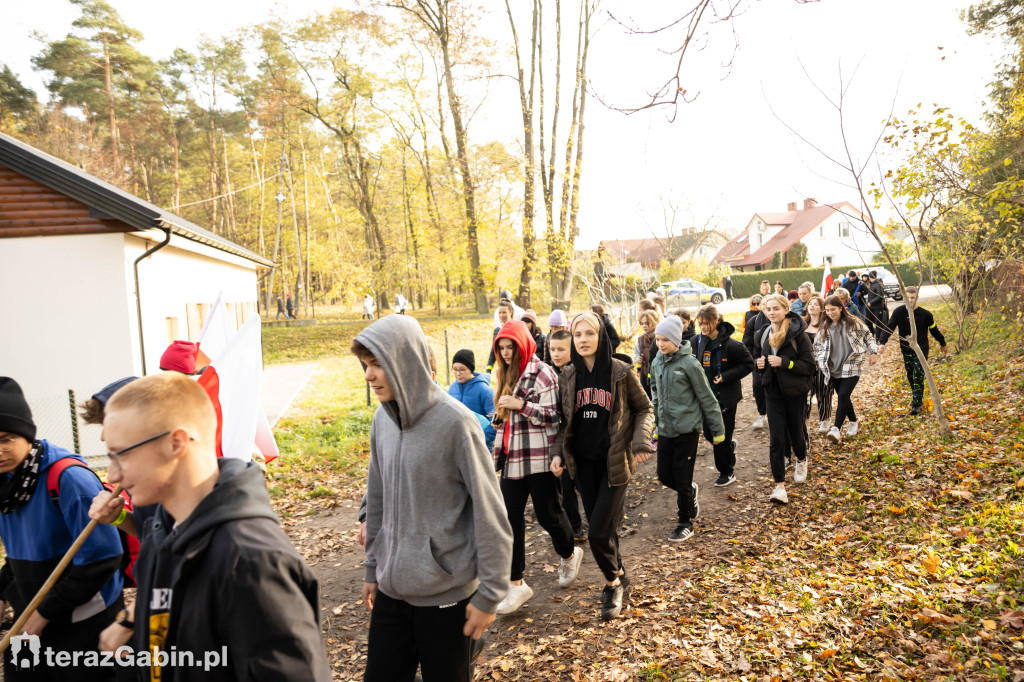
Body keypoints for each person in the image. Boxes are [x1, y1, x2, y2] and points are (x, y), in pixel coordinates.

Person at [96, 373, 330, 681]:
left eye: (121, 455)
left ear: (176, 443)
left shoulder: (251, 561)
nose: (111, 475)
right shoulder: (161, 534)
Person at [349, 315, 512, 680]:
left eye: (377, 364)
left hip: (446, 598)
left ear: (404, 361)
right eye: (366, 365)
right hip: (391, 593)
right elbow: (376, 499)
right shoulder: (382, 420)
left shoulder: (457, 424)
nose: (368, 375)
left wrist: (490, 594)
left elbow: (491, 512)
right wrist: (374, 567)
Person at [0, 377, 124, 681]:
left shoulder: (68, 479)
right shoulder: (6, 484)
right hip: (32, 615)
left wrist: (45, 612)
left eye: (6, 439)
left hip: (83, 619)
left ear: (27, 435)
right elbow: (19, 555)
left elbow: (103, 557)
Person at [550, 312, 653, 620]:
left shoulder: (620, 371)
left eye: (589, 333)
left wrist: (640, 442)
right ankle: (621, 573)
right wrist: (558, 454)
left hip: (615, 464)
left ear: (600, 336)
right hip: (583, 466)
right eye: (577, 334)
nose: (583, 339)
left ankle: (612, 584)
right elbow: (564, 422)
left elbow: (645, 408)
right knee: (604, 529)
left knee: (596, 533)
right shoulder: (567, 375)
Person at [491, 321, 582, 615]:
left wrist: (522, 406)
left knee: (548, 514)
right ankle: (515, 584)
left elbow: (553, 416)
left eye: (510, 348)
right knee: (509, 520)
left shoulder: (542, 372)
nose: (506, 353)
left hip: (540, 457)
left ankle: (569, 553)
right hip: (513, 458)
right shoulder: (504, 373)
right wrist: (500, 417)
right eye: (501, 348)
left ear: (523, 345)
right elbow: (507, 414)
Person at [650, 313, 725, 541]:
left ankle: (685, 522)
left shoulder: (689, 364)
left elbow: (706, 397)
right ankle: (689, 491)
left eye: (665, 340)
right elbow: (654, 393)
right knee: (664, 475)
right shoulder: (657, 362)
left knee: (681, 477)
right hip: (665, 430)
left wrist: (718, 430)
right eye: (657, 340)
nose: (660, 344)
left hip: (687, 430)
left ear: (675, 338)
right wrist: (655, 421)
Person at [753, 295, 815, 505]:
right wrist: (759, 364)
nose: (771, 312)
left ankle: (801, 459)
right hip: (772, 392)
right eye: (768, 309)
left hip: (794, 392)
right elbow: (756, 360)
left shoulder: (798, 335)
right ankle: (780, 486)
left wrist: (785, 363)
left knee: (796, 434)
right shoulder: (762, 334)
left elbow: (809, 366)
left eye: (776, 308)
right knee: (776, 439)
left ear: (786, 309)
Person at [691, 305, 755, 487]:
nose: (703, 327)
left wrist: (726, 376)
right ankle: (729, 448)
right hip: (704, 398)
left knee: (721, 438)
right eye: (700, 323)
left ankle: (727, 472)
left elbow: (748, 364)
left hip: (725, 398)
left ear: (716, 321)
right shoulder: (696, 342)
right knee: (710, 435)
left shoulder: (732, 345)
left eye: (707, 323)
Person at [813, 295, 879, 443]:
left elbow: (869, 337)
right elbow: (816, 346)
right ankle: (853, 422)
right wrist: (819, 359)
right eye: (828, 310)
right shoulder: (824, 326)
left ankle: (836, 429)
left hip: (852, 365)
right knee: (844, 397)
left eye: (833, 309)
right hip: (833, 369)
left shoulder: (853, 323)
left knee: (843, 395)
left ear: (841, 308)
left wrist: (873, 353)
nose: (830, 313)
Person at [878, 286, 948, 415]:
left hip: (921, 350)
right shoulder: (899, 312)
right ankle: (917, 397)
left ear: (917, 298)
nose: (910, 300)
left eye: (913, 297)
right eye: (907, 298)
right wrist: (882, 342)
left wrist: (942, 342)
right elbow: (890, 327)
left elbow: (934, 330)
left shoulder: (926, 314)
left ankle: (916, 404)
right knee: (911, 376)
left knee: (918, 376)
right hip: (906, 349)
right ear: (904, 298)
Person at [547, 330, 583, 541]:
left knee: (582, 484)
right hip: (561, 441)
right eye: (552, 349)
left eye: (561, 349)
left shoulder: (578, 373)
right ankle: (575, 526)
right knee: (565, 487)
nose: (556, 353)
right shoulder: (551, 374)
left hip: (579, 439)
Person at [449, 349, 497, 451]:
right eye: (455, 369)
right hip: (458, 447)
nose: (458, 373)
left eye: (462, 369)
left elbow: (494, 421)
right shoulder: (452, 388)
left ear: (470, 369)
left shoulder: (485, 390)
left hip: (480, 447)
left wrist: (481, 439)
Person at [803, 295, 835, 435]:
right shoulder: (802, 323)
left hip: (822, 364)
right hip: (806, 364)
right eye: (810, 304)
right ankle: (805, 421)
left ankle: (825, 419)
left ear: (822, 308)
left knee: (824, 392)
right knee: (805, 394)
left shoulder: (827, 325)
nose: (812, 306)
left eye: (816, 304)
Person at [742, 295, 768, 429]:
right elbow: (746, 343)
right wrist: (754, 360)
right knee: (758, 387)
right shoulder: (753, 321)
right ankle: (762, 414)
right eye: (764, 305)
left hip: (776, 361)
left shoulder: (782, 321)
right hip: (757, 361)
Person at [633, 308, 662, 399]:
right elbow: (636, 353)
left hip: (659, 372)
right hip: (645, 372)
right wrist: (638, 359)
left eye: (647, 323)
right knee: (646, 396)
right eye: (642, 323)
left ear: (655, 322)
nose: (644, 326)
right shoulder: (640, 339)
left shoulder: (660, 337)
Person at [486, 301, 515, 372]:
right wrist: (488, 369)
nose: (501, 315)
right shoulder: (497, 331)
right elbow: (493, 350)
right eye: (499, 313)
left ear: (511, 312)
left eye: (504, 312)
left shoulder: (516, 328)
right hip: (503, 367)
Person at [865, 271, 887, 342]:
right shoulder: (870, 284)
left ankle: (878, 338)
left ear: (870, 277)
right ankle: (872, 335)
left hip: (877, 307)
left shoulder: (878, 285)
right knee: (868, 321)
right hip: (870, 307)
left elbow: (880, 296)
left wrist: (871, 302)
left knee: (878, 323)